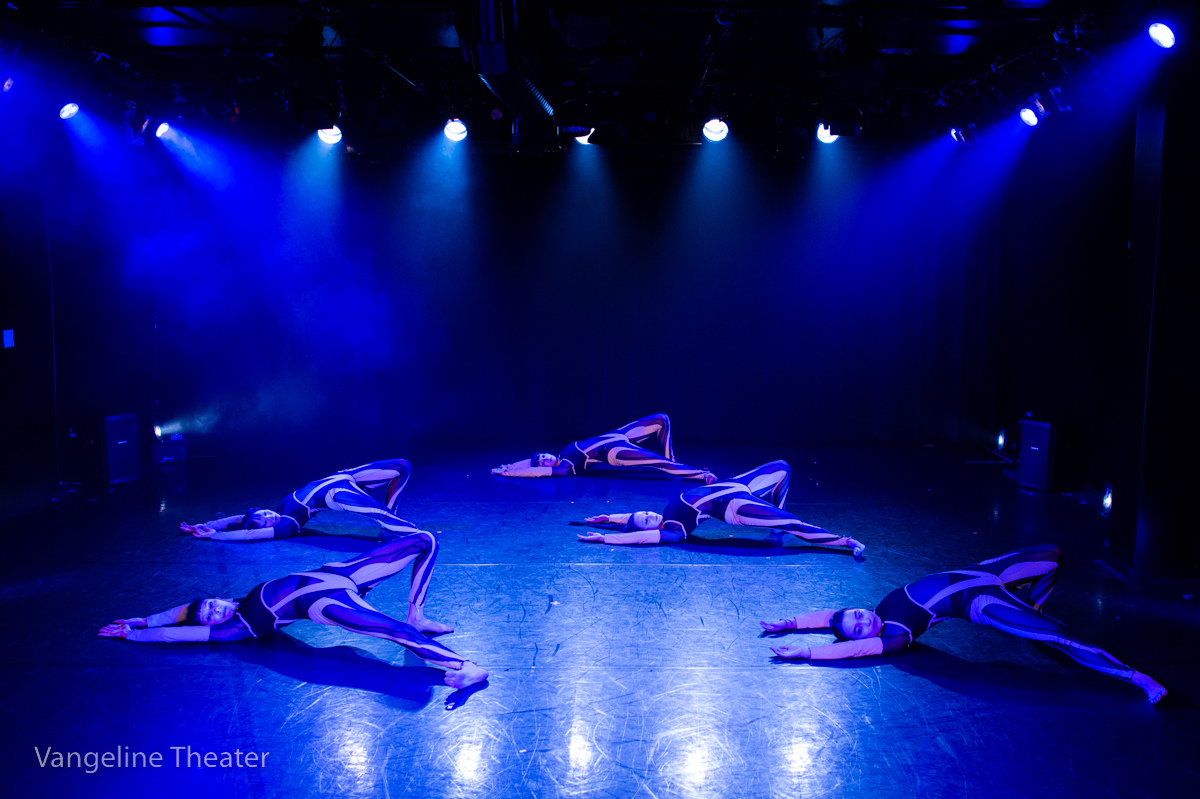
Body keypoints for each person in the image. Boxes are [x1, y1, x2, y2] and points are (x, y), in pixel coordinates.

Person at [760, 543, 1166, 703]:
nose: (864, 620)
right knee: (1063, 638)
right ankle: (1138, 679)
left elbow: (832, 618)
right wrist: (806, 652)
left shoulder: (878, 607)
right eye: (861, 626)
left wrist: (790, 622)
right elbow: (851, 647)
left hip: (984, 570)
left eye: (858, 614)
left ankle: (1035, 609)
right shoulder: (896, 637)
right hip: (982, 599)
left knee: (1054, 555)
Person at [97, 532, 488, 689]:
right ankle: (465, 666)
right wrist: (135, 634)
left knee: (424, 541)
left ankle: (416, 613)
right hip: (326, 602)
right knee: (390, 631)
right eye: (210, 615)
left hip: (339, 574)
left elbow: (182, 612)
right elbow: (176, 631)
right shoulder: (241, 626)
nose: (213, 609)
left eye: (211, 603)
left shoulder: (232, 600)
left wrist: (144, 617)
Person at [576, 460, 865, 556]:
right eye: (646, 520)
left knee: (782, 468)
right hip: (736, 505)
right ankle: (843, 541)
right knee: (795, 525)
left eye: (645, 512)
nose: (650, 514)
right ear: (653, 529)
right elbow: (639, 536)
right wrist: (605, 538)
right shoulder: (673, 531)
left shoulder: (663, 515)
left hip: (737, 484)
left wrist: (608, 519)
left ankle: (776, 520)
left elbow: (633, 522)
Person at [180, 458, 423, 542]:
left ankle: (390, 526)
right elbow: (247, 533)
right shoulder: (286, 526)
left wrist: (208, 525)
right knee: (379, 514)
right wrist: (215, 536)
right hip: (334, 494)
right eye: (266, 521)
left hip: (345, 476)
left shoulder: (279, 507)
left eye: (264, 513)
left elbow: (239, 520)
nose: (269, 516)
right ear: (270, 528)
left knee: (403, 466)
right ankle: (414, 534)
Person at [491, 413, 716, 483]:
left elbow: (530, 462)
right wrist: (511, 472)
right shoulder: (567, 467)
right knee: (659, 462)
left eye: (541, 455)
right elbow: (535, 471)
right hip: (613, 452)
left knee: (661, 420)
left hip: (616, 435)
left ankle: (674, 461)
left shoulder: (562, 452)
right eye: (542, 461)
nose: (544, 458)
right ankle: (700, 475)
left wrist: (509, 465)